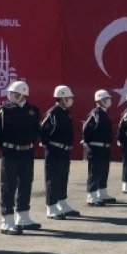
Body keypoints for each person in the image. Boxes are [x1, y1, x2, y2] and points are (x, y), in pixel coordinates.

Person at [0, 80, 42, 235]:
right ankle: (7, 220)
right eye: (10, 93)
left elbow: (36, 131)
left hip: (27, 152)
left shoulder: (33, 110)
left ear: (23, 94)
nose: (10, 96)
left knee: (26, 183)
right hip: (10, 152)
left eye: (13, 93)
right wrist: (6, 145)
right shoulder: (3, 109)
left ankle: (23, 216)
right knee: (8, 185)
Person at [40, 85, 78, 220]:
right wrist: (48, 145)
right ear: (61, 97)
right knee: (53, 178)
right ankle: (51, 207)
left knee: (63, 177)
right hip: (54, 150)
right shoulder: (53, 113)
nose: (70, 100)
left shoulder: (66, 112)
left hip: (65, 151)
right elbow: (43, 131)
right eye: (68, 98)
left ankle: (62, 203)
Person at [82, 90, 116, 206]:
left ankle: (102, 192)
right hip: (96, 148)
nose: (109, 101)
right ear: (100, 100)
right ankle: (91, 196)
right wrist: (88, 143)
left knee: (103, 170)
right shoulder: (95, 113)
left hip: (105, 148)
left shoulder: (105, 113)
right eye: (107, 98)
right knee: (94, 172)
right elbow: (86, 130)